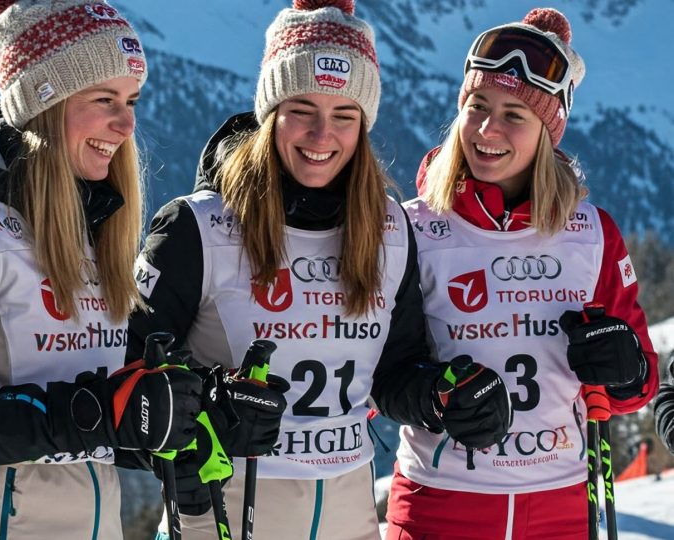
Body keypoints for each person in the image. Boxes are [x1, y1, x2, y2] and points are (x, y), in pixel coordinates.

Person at [127, 1, 511, 538]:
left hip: (348, 518)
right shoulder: (199, 228)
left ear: (364, 124)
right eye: (302, 109)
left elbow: (394, 370)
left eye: (344, 115)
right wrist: (207, 415)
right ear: (271, 112)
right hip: (221, 517)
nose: (321, 136)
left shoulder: (387, 231)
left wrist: (443, 396)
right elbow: (128, 378)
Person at [0, 1, 202, 538]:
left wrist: (190, 418)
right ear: (46, 105)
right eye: (104, 99)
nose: (127, 123)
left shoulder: (97, 228)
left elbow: (105, 423)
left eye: (132, 100)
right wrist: (99, 411)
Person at [388, 8, 658, 538]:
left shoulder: (591, 232)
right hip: (440, 505)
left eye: (515, 114)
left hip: (560, 506)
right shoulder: (412, 229)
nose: (488, 130)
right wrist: (434, 393)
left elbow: (637, 384)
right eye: (477, 106)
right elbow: (380, 375)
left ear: (547, 131)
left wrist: (625, 367)